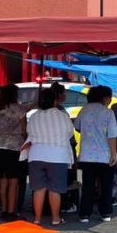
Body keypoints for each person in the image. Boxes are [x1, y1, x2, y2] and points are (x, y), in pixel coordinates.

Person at [21, 88, 74, 226]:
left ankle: (37, 218)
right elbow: (69, 133)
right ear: (55, 100)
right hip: (57, 155)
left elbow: (28, 132)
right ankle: (55, 218)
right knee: (54, 189)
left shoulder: (34, 116)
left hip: (36, 155)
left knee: (38, 189)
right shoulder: (63, 116)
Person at [74, 86, 117, 223]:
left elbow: (77, 127)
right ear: (104, 97)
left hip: (87, 156)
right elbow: (112, 136)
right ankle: (105, 212)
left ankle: (84, 214)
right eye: (109, 97)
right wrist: (113, 154)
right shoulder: (108, 113)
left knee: (88, 185)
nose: (110, 99)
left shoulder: (84, 110)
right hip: (104, 156)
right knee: (105, 185)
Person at [0, 84, 27, 221]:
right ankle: (12, 211)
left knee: (3, 180)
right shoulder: (19, 110)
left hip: (1, 146)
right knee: (14, 181)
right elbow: (25, 131)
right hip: (15, 148)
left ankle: (4, 210)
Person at [52, 82, 80, 214]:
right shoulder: (58, 110)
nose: (65, 95)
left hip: (56, 148)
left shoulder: (54, 109)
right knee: (66, 177)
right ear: (59, 94)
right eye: (64, 93)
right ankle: (65, 204)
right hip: (64, 147)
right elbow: (67, 130)